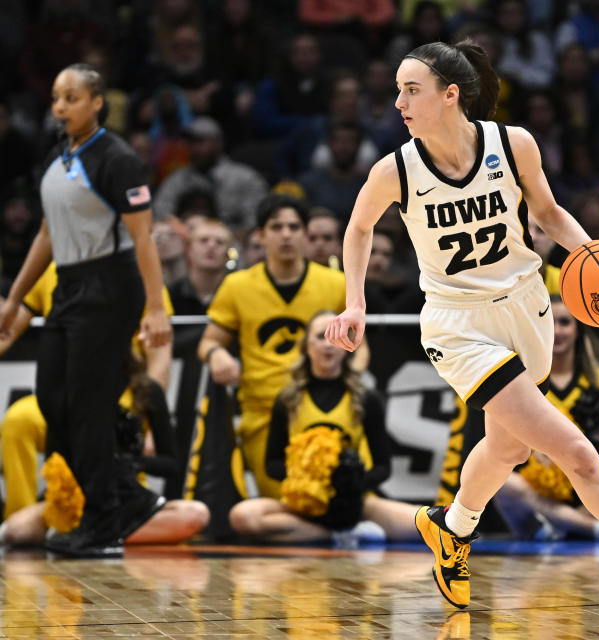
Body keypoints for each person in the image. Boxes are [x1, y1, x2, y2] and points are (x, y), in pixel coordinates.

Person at [324, 40, 599, 611]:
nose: (398, 103)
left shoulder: (513, 145)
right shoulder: (397, 170)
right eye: (397, 91)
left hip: (528, 306)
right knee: (579, 456)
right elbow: (358, 229)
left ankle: (453, 526)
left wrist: (593, 254)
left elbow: (546, 212)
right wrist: (355, 303)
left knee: (506, 449)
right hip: (457, 324)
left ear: (450, 95)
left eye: (410, 90)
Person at [0, 63, 172, 557]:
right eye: (55, 97)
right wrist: (14, 299)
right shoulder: (58, 156)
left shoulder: (117, 158)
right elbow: (47, 235)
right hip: (69, 285)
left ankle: (102, 522)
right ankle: (124, 496)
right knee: (53, 400)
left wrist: (155, 308)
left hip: (111, 285)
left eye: (71, 97)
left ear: (97, 101)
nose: (60, 106)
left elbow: (143, 238)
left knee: (88, 406)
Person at [196, 194, 348, 500]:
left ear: (305, 234)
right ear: (261, 236)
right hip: (263, 415)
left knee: (333, 495)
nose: (286, 234)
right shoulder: (237, 286)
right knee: (288, 499)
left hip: (326, 410)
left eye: (294, 226)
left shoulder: (336, 284)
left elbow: (361, 348)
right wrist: (217, 355)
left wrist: (352, 385)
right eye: (276, 227)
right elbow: (209, 341)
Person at [229, 311, 419, 542]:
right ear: (307, 346)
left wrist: (349, 483)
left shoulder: (365, 398)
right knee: (242, 516)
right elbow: (272, 464)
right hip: (303, 504)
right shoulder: (288, 399)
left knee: (423, 524)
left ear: (348, 346)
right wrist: (310, 477)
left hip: (353, 502)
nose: (328, 345)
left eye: (336, 337)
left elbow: (383, 467)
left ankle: (342, 528)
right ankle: (338, 535)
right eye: (321, 336)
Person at [1, 352, 210, 547]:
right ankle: (88, 532)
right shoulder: (70, 391)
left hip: (126, 497)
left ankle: (102, 535)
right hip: (79, 496)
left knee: (196, 514)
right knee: (16, 530)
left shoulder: (147, 389)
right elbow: (55, 457)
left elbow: (170, 464)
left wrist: (129, 462)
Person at [494, 296, 599, 540]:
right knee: (504, 483)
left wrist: (591, 441)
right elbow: (505, 440)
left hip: (593, 480)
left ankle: (563, 523)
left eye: (565, 322)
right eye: (551, 323)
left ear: (578, 330)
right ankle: (592, 528)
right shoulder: (525, 382)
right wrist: (536, 448)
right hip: (547, 491)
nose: (558, 330)